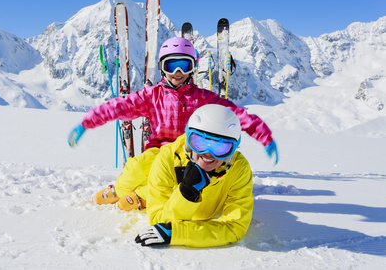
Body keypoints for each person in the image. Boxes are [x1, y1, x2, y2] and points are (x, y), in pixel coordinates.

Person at [68, 37, 278, 210]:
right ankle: (118, 190)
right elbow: (119, 106)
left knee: (184, 183)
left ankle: (143, 196)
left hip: (189, 151)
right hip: (158, 151)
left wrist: (263, 136)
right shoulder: (152, 96)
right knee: (138, 167)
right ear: (162, 68)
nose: (178, 72)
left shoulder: (202, 98)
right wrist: (86, 123)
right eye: (172, 65)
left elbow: (233, 114)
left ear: (192, 69)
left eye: (184, 65)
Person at [135, 104, 253, 247]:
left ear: (232, 152)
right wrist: (187, 192)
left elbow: (235, 227)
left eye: (221, 147)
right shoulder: (167, 159)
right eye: (199, 142)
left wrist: (177, 233)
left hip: (197, 205)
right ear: (188, 143)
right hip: (160, 182)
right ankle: (133, 192)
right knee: (137, 169)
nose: (208, 153)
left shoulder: (239, 169)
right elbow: (158, 221)